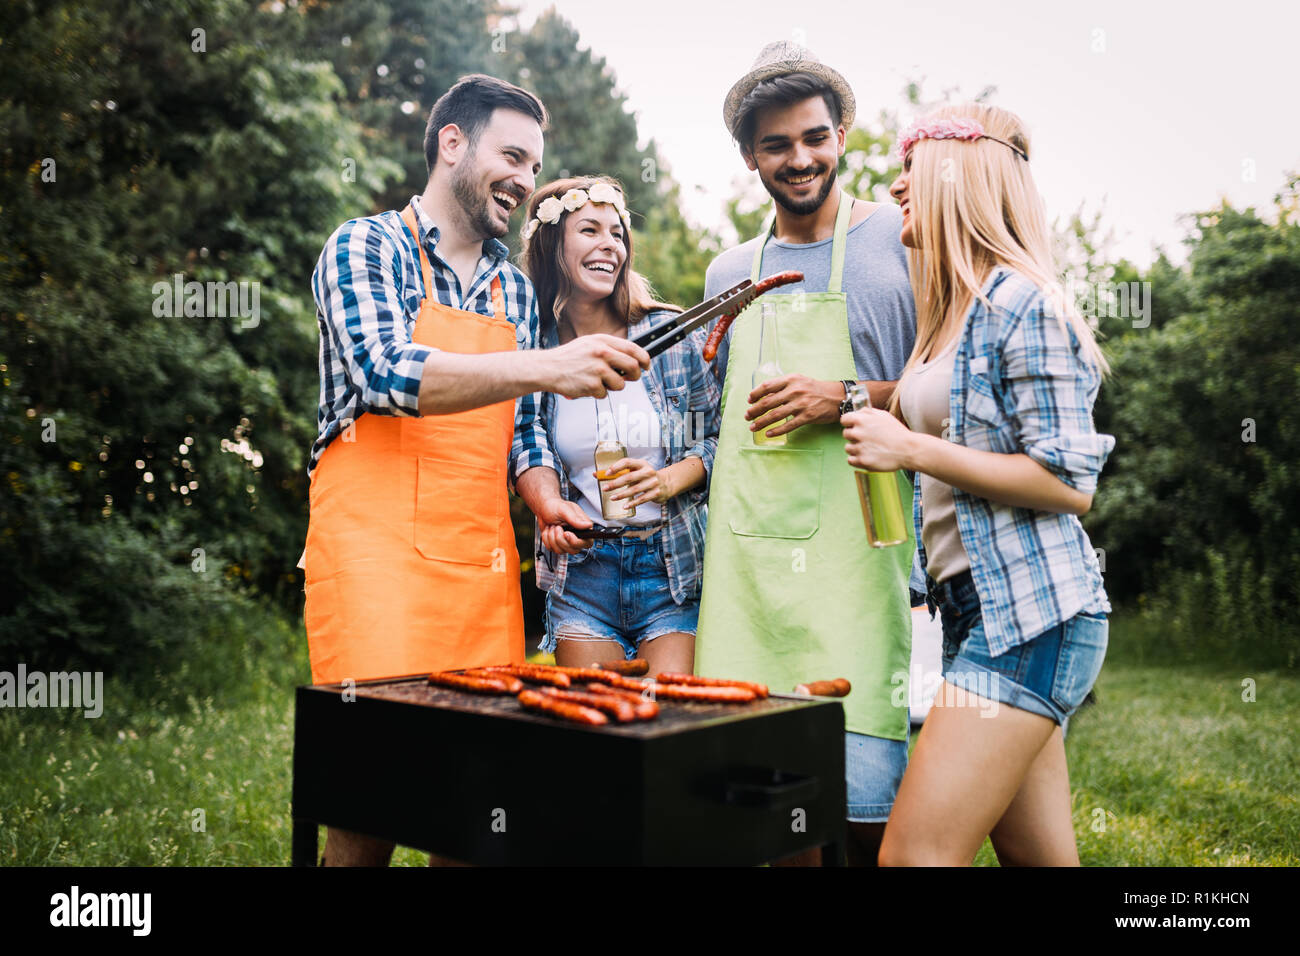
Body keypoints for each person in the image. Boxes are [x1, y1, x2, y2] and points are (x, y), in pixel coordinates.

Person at [303, 75, 650, 866]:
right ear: (452, 144)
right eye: (513, 155)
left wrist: (545, 499)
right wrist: (550, 364)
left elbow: (521, 432)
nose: (527, 180)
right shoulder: (367, 247)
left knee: (476, 800)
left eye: (535, 165)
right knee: (371, 794)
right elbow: (386, 375)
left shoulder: (514, 291)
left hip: (478, 560)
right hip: (374, 555)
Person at [841, 103, 1114, 866]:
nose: (896, 188)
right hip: (975, 612)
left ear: (962, 182)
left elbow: (1067, 482)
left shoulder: (1024, 304)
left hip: (1028, 619)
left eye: (911, 172)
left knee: (913, 855)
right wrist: (842, 395)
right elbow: (931, 408)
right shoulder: (957, 312)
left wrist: (909, 452)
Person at [696, 42, 918, 866]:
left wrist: (847, 395)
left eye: (815, 137)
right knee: (770, 818)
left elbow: (955, 392)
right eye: (778, 145)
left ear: (842, 135)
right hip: (750, 585)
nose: (801, 159)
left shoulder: (903, 239)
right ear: (750, 156)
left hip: (867, 565)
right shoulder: (730, 273)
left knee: (867, 821)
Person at [512, 177, 719, 676]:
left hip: (673, 571)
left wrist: (668, 480)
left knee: (669, 725)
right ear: (552, 244)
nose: (610, 244)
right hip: (585, 574)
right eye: (590, 230)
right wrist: (550, 513)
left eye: (618, 233)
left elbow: (717, 438)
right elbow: (525, 442)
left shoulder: (670, 335)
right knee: (598, 738)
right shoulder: (533, 349)